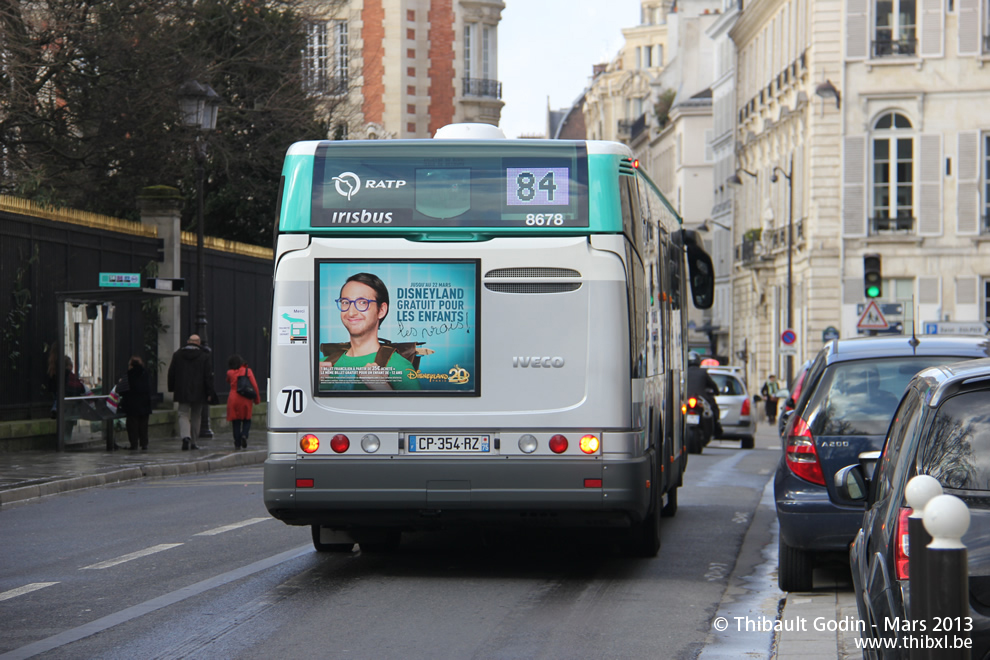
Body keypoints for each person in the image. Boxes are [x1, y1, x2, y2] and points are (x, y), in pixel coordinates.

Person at [322, 272, 420, 391]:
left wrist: (383, 389)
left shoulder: (399, 367)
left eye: (363, 302)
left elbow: (415, 409)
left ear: (381, 310)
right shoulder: (321, 365)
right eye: (345, 302)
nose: (351, 312)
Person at [167, 334, 217, 450]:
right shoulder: (204, 356)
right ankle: (194, 441)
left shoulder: (178, 355)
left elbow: (171, 373)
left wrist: (172, 388)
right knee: (196, 416)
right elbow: (208, 376)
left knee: (183, 414)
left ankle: (185, 437)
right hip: (199, 391)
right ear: (198, 343)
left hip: (182, 390)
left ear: (188, 341)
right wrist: (209, 392)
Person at [226, 354, 260, 450]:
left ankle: (237, 443)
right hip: (245, 398)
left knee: (235, 422)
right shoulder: (247, 371)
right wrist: (257, 399)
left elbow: (227, 381)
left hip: (233, 398)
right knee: (247, 420)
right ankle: (244, 435)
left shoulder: (230, 373)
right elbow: (254, 385)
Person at [120, 355, 152, 450]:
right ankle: (144, 443)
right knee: (143, 425)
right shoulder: (145, 374)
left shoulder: (128, 374)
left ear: (131, 365)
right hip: (145, 403)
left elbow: (121, 389)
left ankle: (134, 444)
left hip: (132, 404)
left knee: (132, 425)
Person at [686, 351, 722, 437]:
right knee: (713, 408)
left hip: (686, 399)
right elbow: (712, 385)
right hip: (700, 399)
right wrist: (716, 392)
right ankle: (716, 425)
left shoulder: (684, 372)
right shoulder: (703, 372)